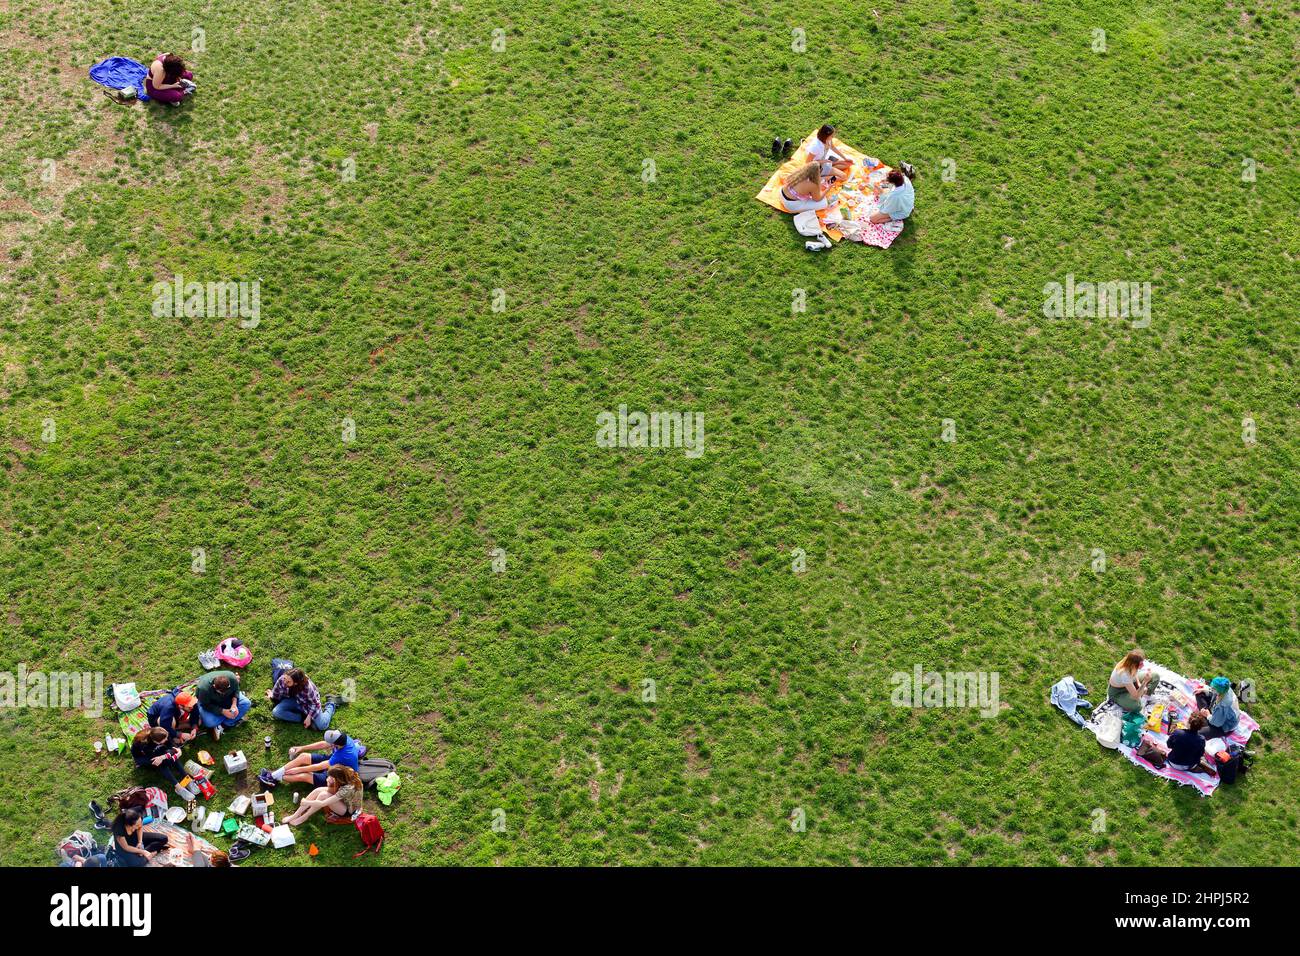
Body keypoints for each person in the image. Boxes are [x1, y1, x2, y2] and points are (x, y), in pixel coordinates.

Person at [258, 728, 359, 788]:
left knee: (304, 775)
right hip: (334, 763)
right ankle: (274, 776)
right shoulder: (344, 739)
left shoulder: (342, 755)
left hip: (339, 775)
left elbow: (319, 766)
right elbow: (323, 744)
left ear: (335, 745)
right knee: (303, 756)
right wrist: (302, 748)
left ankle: (274, 778)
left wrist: (299, 769)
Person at [282, 766, 365, 826]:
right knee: (318, 790)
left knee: (323, 796)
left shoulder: (347, 789)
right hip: (345, 799)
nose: (328, 778)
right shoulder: (347, 772)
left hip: (349, 810)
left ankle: (304, 817)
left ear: (338, 779)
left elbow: (322, 804)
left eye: (331, 778)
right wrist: (329, 782)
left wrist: (307, 802)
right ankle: (295, 815)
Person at [266, 667, 344, 731]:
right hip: (293, 700)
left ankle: (331, 703)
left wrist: (309, 716)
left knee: (322, 725)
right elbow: (276, 693)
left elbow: (314, 704)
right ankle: (302, 718)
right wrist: (271, 695)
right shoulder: (282, 679)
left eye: (288, 682)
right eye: (285, 679)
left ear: (296, 683)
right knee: (276, 712)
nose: (285, 682)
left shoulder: (308, 688)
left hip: (307, 704)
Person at [194, 670, 251, 738]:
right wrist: (222, 711)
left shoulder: (232, 677)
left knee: (246, 703)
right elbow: (205, 705)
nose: (224, 693)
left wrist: (234, 704)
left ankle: (223, 725)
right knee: (209, 722)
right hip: (211, 704)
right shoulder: (204, 689)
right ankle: (226, 720)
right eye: (221, 692)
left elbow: (236, 690)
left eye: (226, 690)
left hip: (228, 699)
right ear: (214, 686)